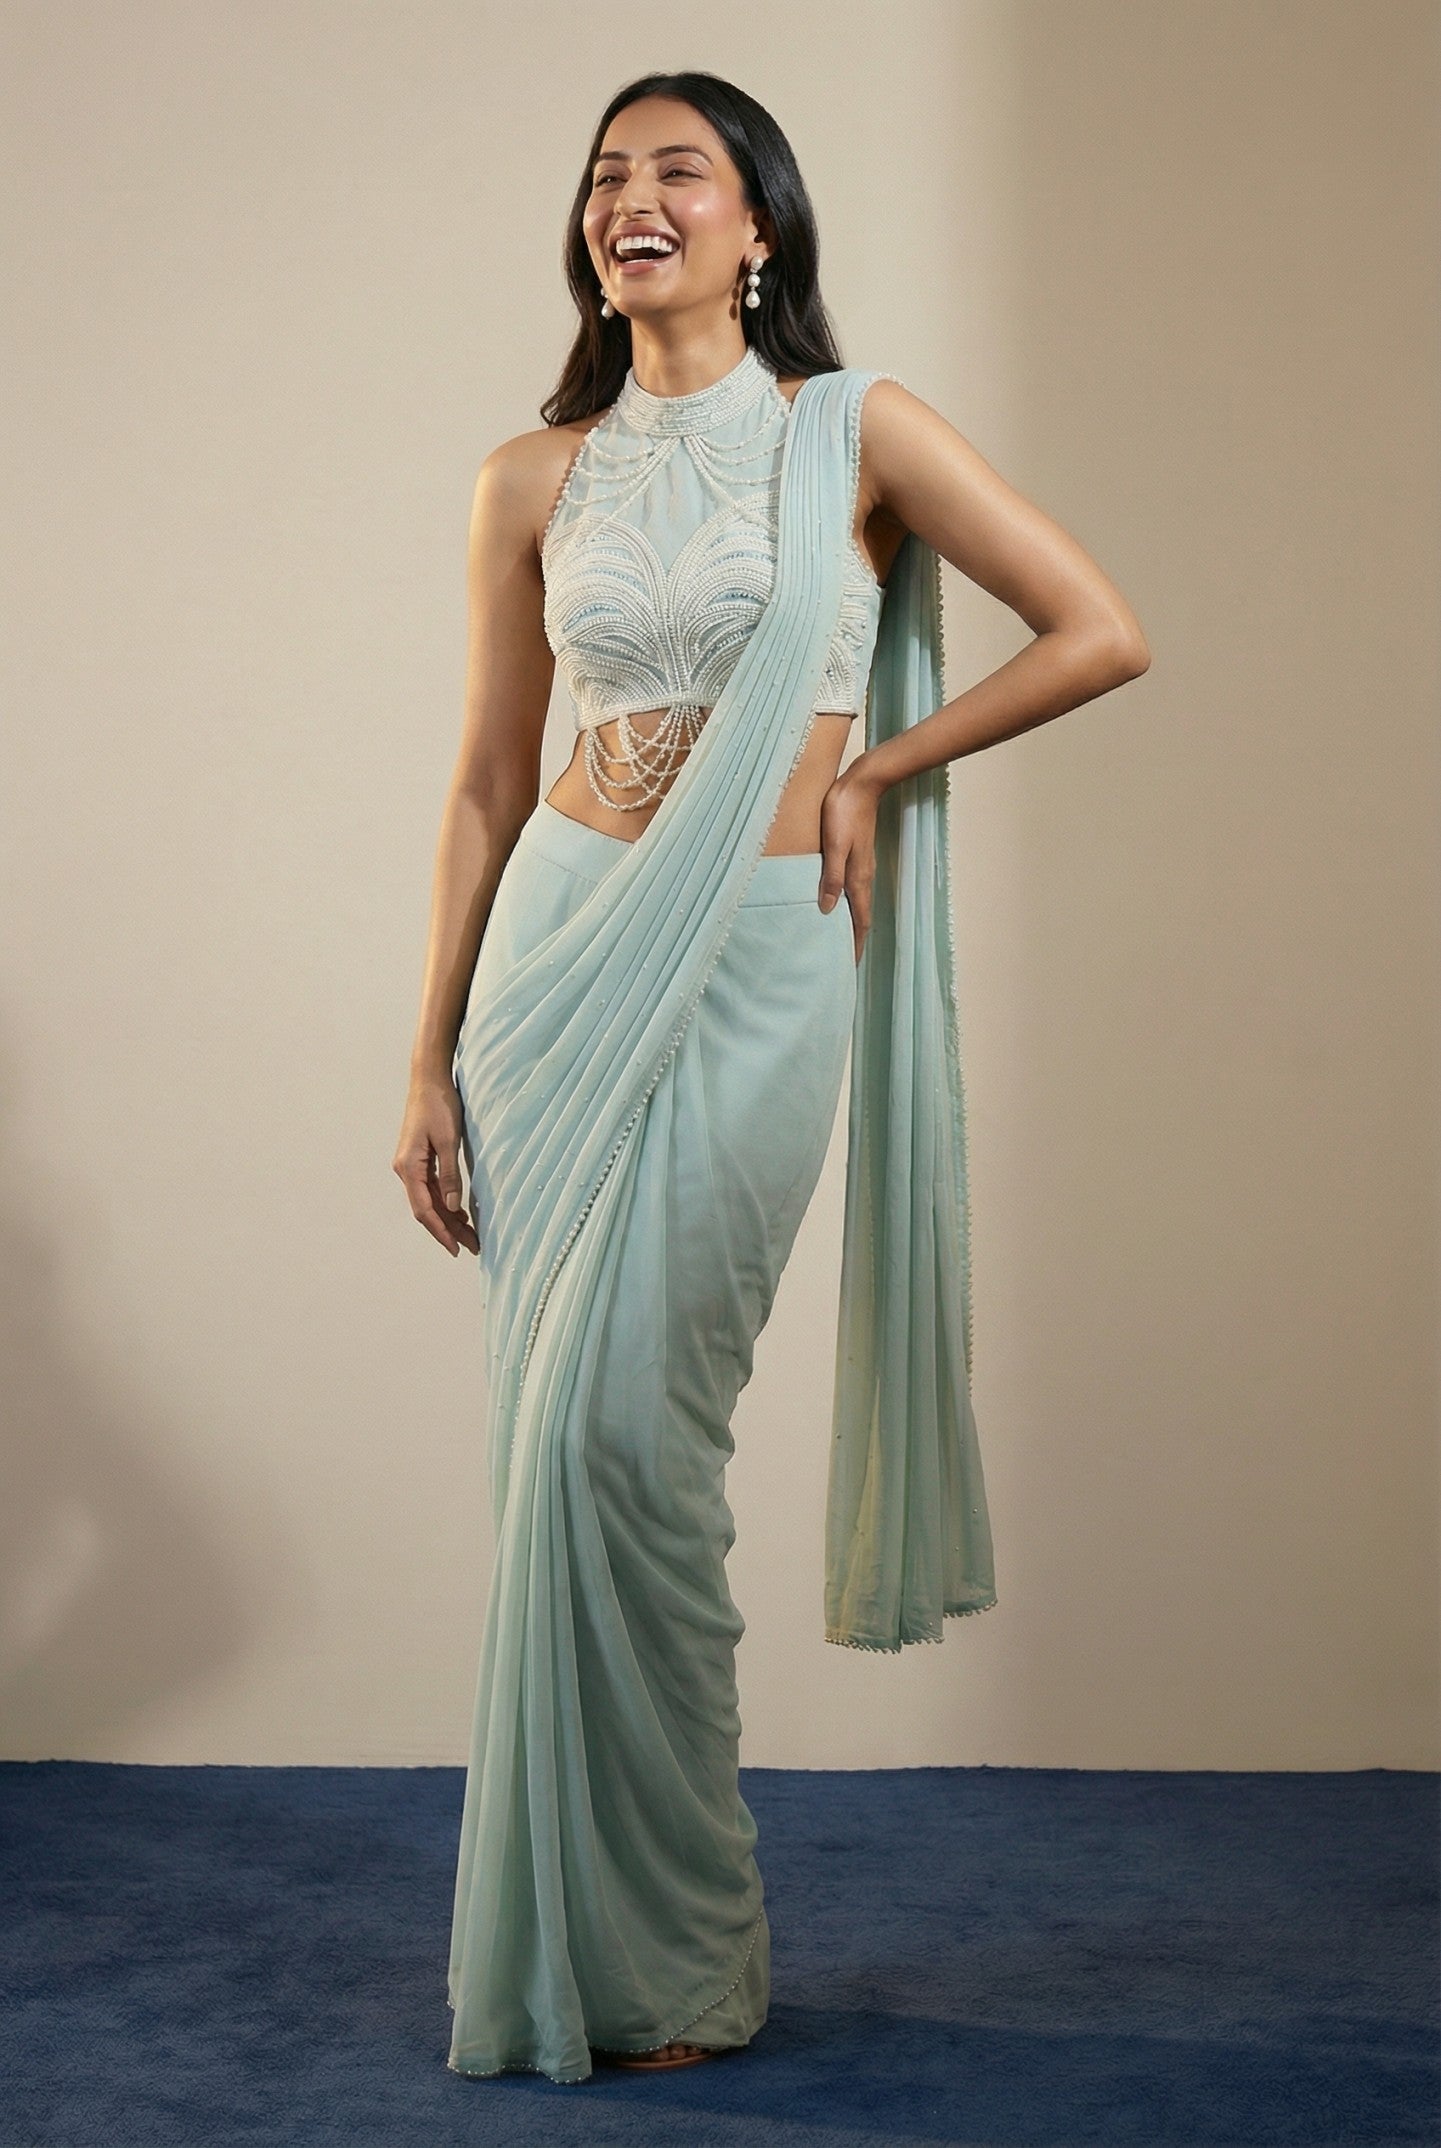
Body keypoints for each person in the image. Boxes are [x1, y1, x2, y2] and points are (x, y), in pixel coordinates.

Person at [392, 69, 1149, 2087]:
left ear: (757, 228)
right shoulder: (529, 476)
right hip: (553, 968)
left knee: (640, 1448)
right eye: (605, 175)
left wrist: (879, 768)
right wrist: (425, 1054)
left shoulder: (854, 429)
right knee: (555, 1458)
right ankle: (586, 1956)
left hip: (750, 956)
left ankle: (679, 1955)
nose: (631, 197)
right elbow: (483, 782)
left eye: (679, 170)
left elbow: (1096, 628)